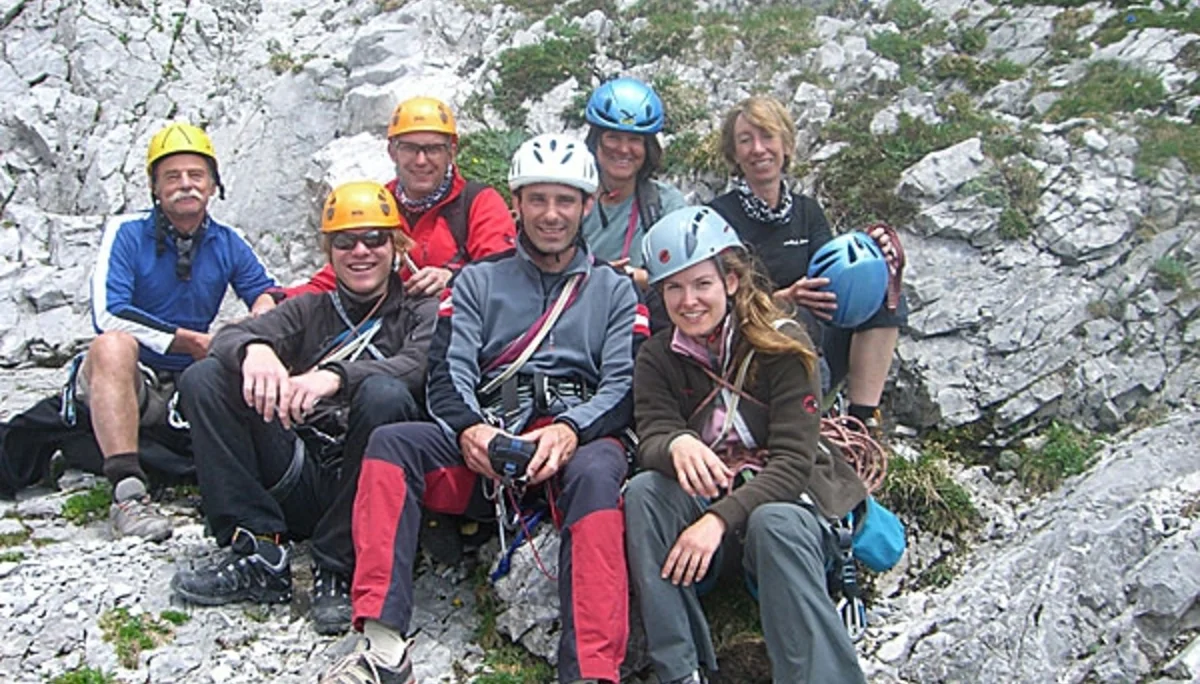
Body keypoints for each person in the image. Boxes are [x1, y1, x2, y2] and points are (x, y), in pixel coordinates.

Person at [319, 134, 646, 684]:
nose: (550, 214)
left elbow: (625, 384)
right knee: (392, 444)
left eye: (566, 201)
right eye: (537, 199)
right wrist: (471, 430)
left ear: (588, 206)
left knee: (598, 472)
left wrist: (570, 430)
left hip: (577, 444)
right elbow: (448, 371)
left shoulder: (615, 292)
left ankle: (592, 671)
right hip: (490, 448)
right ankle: (381, 644)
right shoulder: (475, 282)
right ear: (515, 203)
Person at [170, 181, 436, 636]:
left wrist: (334, 376)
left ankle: (339, 564)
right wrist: (257, 349)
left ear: (396, 246)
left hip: (370, 479)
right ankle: (258, 548)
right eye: (344, 242)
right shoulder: (311, 309)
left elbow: (418, 364)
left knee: (386, 395)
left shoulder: (419, 310)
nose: (360, 251)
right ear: (329, 251)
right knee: (205, 379)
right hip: (302, 465)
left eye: (375, 239)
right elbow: (230, 338)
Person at [624, 206, 868, 684]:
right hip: (706, 521)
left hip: (776, 516)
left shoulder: (782, 346)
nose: (688, 301)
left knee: (773, 520)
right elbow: (651, 432)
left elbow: (793, 462)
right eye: (673, 287)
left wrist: (718, 518)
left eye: (702, 284)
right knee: (645, 492)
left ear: (731, 281)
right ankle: (681, 671)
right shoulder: (658, 356)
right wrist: (674, 443)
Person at [82, 122, 276, 541]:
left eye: (196, 176)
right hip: (137, 375)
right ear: (155, 187)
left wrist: (257, 316)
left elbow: (268, 292)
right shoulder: (126, 233)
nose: (185, 185)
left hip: (191, 378)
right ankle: (127, 493)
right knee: (111, 345)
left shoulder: (227, 241)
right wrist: (186, 339)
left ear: (212, 185)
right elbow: (109, 312)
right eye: (172, 177)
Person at [708, 95, 906, 432]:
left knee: (885, 294)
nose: (758, 149)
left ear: (786, 145)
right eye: (745, 140)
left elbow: (837, 278)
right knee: (795, 318)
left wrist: (872, 256)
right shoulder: (719, 216)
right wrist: (785, 298)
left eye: (767, 136)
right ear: (735, 155)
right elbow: (719, 306)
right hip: (759, 342)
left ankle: (861, 421)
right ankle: (808, 422)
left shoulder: (807, 211)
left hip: (818, 332)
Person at [273, 96, 516, 303]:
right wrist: (276, 298)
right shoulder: (378, 204)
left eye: (433, 149)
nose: (421, 160)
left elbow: (502, 271)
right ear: (392, 151)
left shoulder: (478, 203)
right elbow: (336, 276)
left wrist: (453, 278)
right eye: (409, 148)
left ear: (451, 152)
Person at [581, 77, 687, 289]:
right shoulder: (571, 200)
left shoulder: (665, 205)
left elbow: (686, 276)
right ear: (596, 141)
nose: (623, 149)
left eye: (635, 140)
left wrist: (633, 277)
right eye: (613, 137)